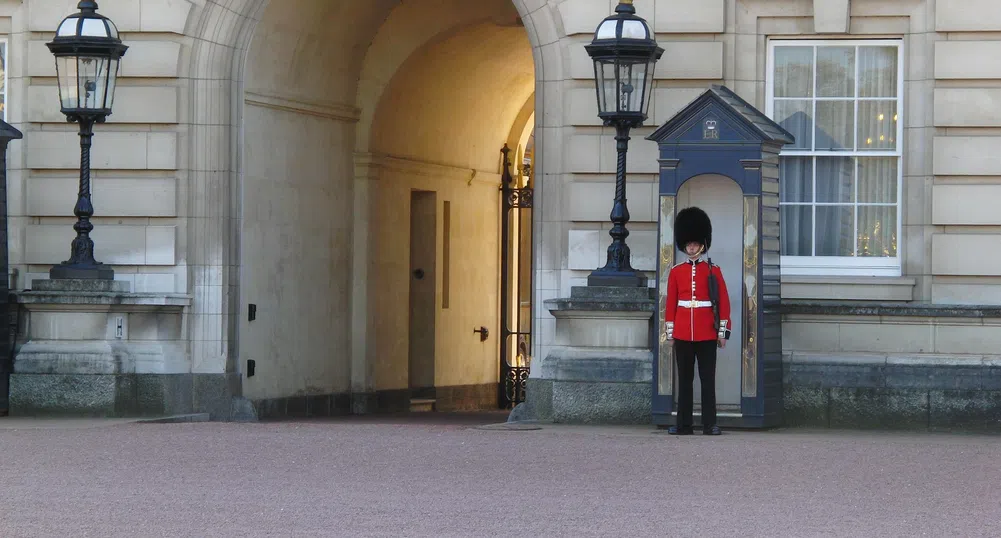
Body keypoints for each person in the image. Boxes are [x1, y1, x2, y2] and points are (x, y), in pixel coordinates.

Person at [664, 206, 731, 436]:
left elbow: (724, 304)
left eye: (694, 244)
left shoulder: (714, 271)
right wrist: (670, 333)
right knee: (684, 381)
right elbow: (670, 304)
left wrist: (722, 333)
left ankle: (709, 424)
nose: (691, 247)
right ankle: (684, 424)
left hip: (706, 332)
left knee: (707, 380)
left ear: (702, 245)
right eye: (688, 244)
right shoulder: (676, 272)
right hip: (683, 332)